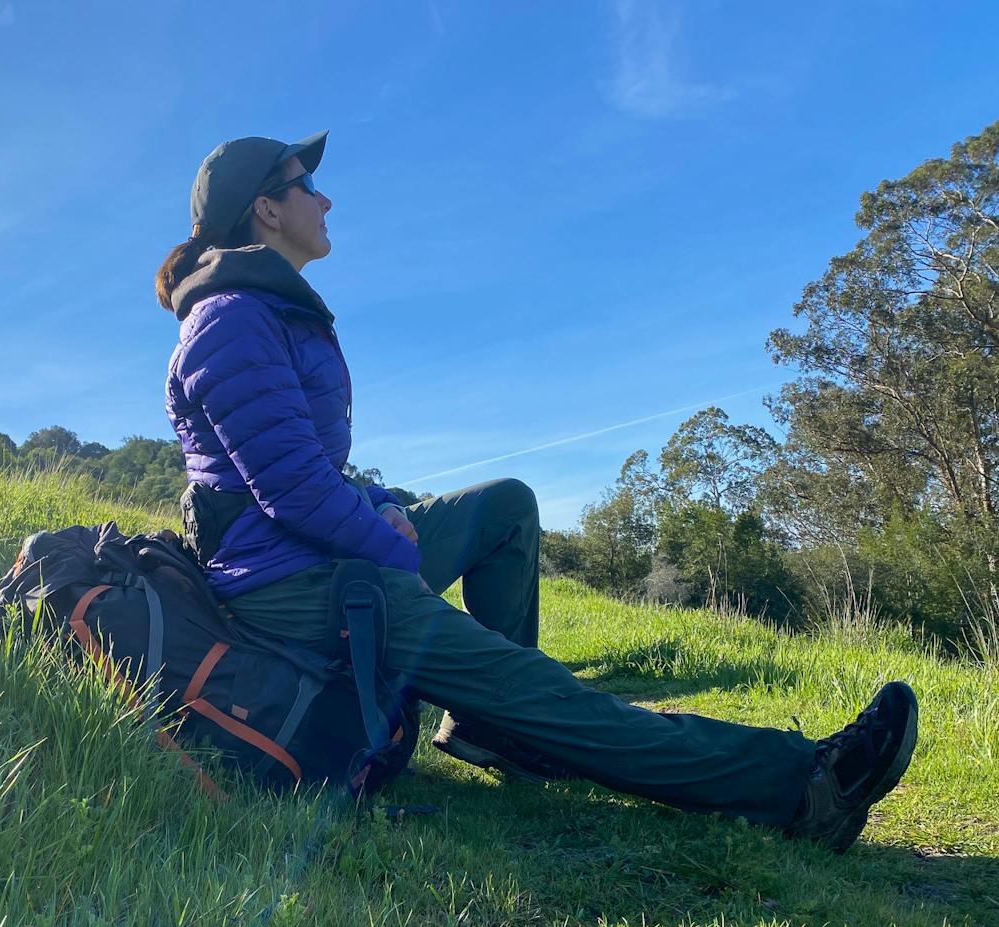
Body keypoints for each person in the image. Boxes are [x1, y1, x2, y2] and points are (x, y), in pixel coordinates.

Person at [158, 129, 918, 853]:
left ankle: (493, 730)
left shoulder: (268, 310)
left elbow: (307, 465)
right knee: (544, 689)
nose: (326, 200)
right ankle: (803, 785)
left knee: (506, 505)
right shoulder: (231, 322)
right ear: (266, 208)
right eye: (309, 184)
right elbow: (292, 492)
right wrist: (388, 540)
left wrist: (381, 499)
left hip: (322, 549)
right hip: (293, 583)